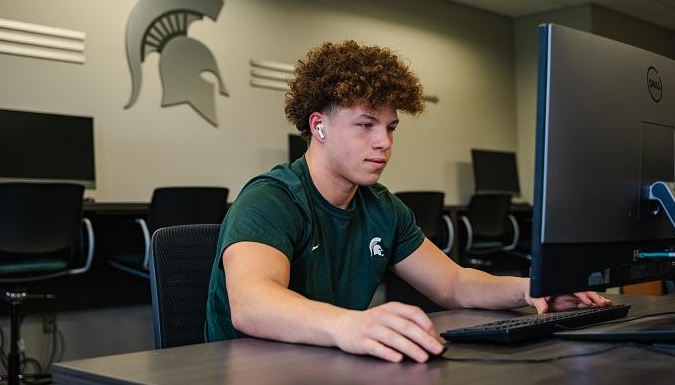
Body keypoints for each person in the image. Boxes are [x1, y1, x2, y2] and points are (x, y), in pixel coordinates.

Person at [205, 40, 610, 363]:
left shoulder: (381, 207)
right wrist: (350, 325)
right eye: (366, 125)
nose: (384, 143)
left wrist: (534, 289)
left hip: (327, 363)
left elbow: (453, 283)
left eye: (390, 128)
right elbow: (251, 302)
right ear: (319, 126)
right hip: (252, 370)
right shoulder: (271, 199)